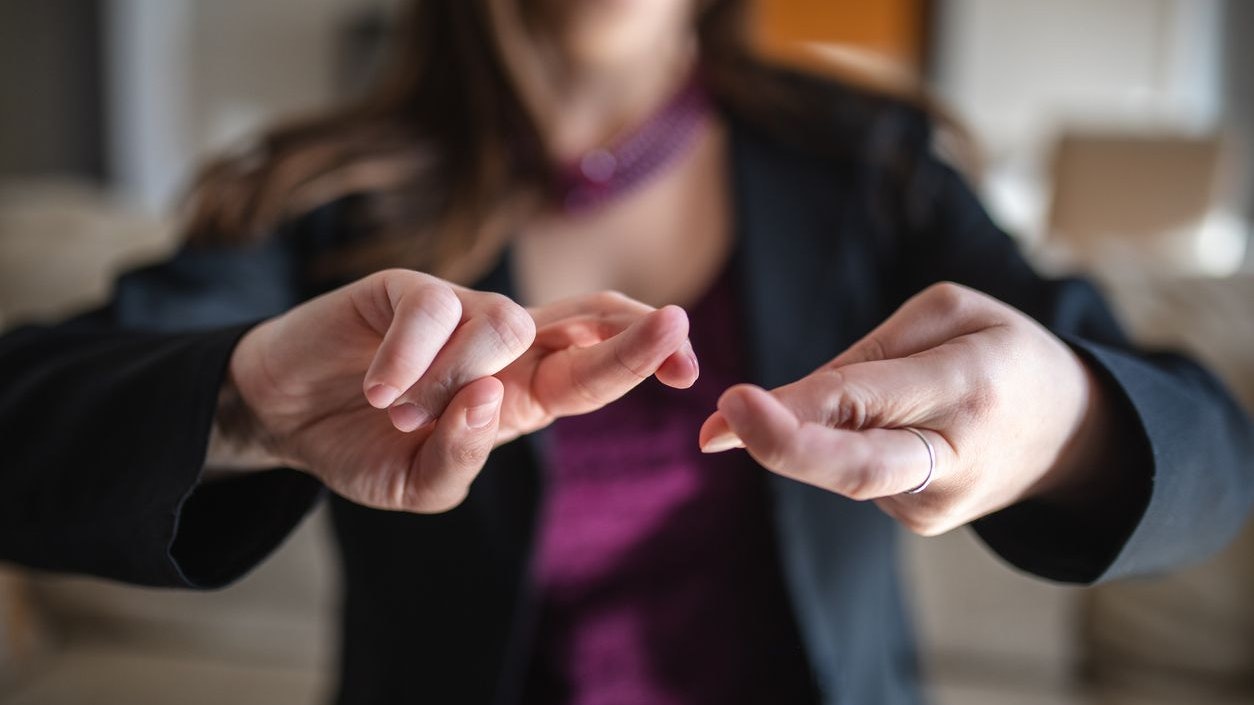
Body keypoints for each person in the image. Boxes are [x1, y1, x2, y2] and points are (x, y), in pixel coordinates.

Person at [0, 1, 1251, 704]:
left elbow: (1214, 455)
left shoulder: (869, 167)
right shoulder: (315, 192)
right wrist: (247, 405)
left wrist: (1069, 416)